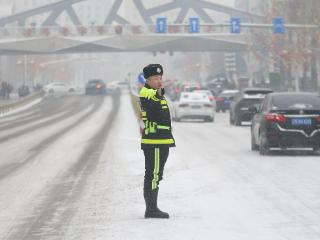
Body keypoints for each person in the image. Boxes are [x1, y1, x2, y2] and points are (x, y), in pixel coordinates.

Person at [139, 64, 175, 219]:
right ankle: (151, 209)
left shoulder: (155, 93)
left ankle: (152, 207)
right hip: (154, 141)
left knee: (156, 175)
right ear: (147, 79)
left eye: (160, 78)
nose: (159, 81)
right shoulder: (146, 92)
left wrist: (160, 93)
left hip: (162, 139)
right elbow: (153, 106)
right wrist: (159, 94)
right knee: (153, 175)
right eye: (155, 78)